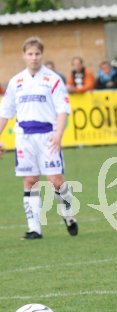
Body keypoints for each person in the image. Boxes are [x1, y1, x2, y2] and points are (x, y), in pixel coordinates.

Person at [0, 36, 78, 239]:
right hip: (24, 138)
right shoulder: (16, 81)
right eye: (30, 54)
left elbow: (63, 109)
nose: (33, 57)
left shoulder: (52, 79)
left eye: (37, 54)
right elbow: (5, 113)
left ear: (42, 55)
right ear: (23, 55)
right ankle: (35, 228)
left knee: (56, 181)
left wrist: (59, 135)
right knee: (30, 180)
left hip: (47, 137)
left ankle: (68, 214)